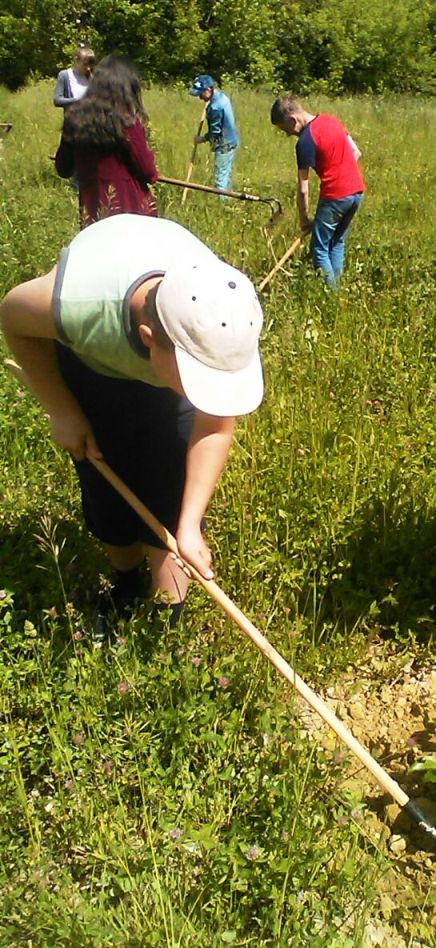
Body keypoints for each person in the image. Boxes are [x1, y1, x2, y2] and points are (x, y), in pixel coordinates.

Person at [0, 213, 264, 644]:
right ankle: (124, 586)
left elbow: (216, 424)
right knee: (107, 490)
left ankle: (165, 636)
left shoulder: (222, 319)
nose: (206, 393)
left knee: (169, 499)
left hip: (158, 356)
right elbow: (12, 317)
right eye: (198, 379)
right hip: (93, 365)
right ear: (147, 339)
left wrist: (190, 523)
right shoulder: (78, 307)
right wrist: (62, 411)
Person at [271, 95, 364, 287]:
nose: (288, 134)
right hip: (356, 191)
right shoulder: (331, 120)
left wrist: (304, 220)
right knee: (336, 242)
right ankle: (336, 286)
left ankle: (330, 296)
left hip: (335, 196)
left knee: (319, 249)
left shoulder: (305, 141)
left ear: (292, 119)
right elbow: (356, 152)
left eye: (285, 129)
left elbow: (303, 188)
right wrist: (341, 172)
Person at [55, 54, 158, 228]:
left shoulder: (74, 119)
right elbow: (148, 172)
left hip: (93, 215)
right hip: (131, 213)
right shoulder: (126, 122)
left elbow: (63, 168)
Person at [189, 74, 239, 193]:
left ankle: (222, 206)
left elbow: (215, 133)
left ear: (208, 90)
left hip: (223, 145)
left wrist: (201, 139)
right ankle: (228, 203)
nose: (200, 98)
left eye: (200, 93)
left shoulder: (215, 107)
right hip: (232, 141)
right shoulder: (222, 97)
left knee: (220, 181)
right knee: (226, 176)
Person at [53, 44, 96, 109]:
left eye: (90, 65)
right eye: (85, 64)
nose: (88, 68)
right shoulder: (64, 75)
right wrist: (79, 101)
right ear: (76, 60)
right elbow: (57, 100)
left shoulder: (93, 76)